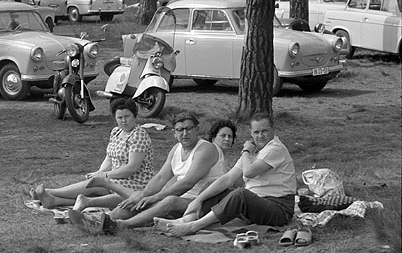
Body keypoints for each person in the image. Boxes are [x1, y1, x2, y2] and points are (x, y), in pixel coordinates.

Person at [69, 113, 230, 232]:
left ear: (197, 130)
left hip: (206, 202)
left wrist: (155, 197)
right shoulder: (176, 149)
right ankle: (101, 222)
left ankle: (121, 226)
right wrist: (144, 195)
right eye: (180, 130)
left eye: (189, 129)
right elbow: (160, 177)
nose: (184, 133)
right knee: (135, 201)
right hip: (185, 199)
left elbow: (188, 182)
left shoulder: (206, 149)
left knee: (169, 201)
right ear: (174, 133)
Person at [154, 113, 297, 237]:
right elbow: (227, 178)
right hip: (258, 204)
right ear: (250, 132)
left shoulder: (274, 149)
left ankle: (194, 226)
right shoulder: (254, 149)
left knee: (241, 194)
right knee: (215, 189)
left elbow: (249, 172)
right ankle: (184, 221)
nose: (260, 136)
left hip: (279, 209)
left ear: (273, 130)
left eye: (264, 131)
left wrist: (246, 151)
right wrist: (198, 199)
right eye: (256, 132)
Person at [33, 98, 153, 209]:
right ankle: (54, 200)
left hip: (136, 182)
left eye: (127, 116)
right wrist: (99, 172)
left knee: (97, 185)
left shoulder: (138, 135)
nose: (123, 121)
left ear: (134, 116)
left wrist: (105, 176)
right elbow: (109, 158)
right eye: (119, 118)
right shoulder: (116, 131)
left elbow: (131, 168)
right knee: (95, 184)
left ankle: (50, 192)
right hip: (117, 177)